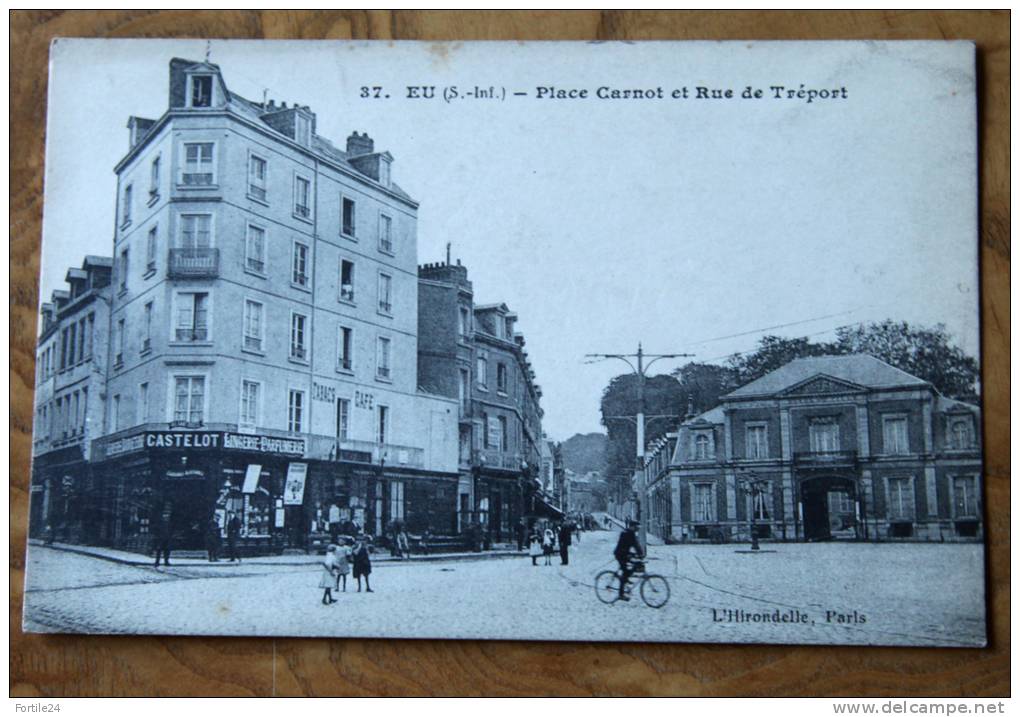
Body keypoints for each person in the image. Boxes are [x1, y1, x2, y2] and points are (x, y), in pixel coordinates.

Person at [613, 519, 644, 601]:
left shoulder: (629, 533)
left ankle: (626, 579)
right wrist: (640, 554)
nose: (637, 528)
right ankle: (621, 594)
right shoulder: (628, 534)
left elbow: (634, 545)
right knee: (625, 572)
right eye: (636, 527)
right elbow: (635, 545)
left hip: (625, 554)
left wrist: (635, 554)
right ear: (632, 527)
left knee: (635, 566)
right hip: (620, 555)